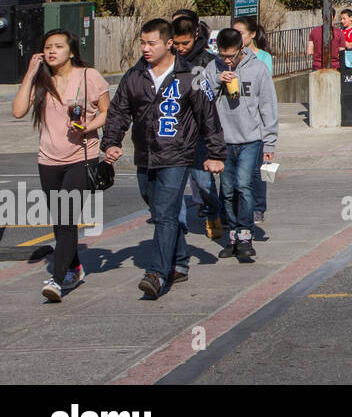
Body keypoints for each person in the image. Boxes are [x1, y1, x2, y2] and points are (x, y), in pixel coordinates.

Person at [101, 18, 226, 299]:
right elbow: (119, 111)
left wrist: (216, 154)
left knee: (167, 214)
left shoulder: (191, 74)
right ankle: (180, 260)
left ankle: (157, 273)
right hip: (145, 155)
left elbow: (209, 117)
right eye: (142, 43)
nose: (145, 48)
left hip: (177, 154)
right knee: (157, 209)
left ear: (169, 44)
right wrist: (111, 142)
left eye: (151, 43)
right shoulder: (134, 76)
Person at [10, 30, 111, 302]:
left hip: (81, 155)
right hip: (48, 159)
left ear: (72, 51)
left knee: (66, 219)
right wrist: (31, 73)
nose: (52, 51)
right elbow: (18, 110)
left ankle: (57, 279)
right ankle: (75, 267)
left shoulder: (88, 76)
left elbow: (106, 111)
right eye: (47, 47)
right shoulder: (42, 80)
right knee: (60, 222)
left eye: (58, 46)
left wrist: (89, 126)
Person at [204, 29, 278, 261]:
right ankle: (233, 234)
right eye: (223, 56)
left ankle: (246, 233)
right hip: (223, 140)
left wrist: (269, 143)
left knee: (244, 185)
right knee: (226, 190)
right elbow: (201, 94)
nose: (227, 61)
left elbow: (268, 106)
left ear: (241, 49)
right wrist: (217, 81)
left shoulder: (258, 69)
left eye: (232, 56)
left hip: (250, 139)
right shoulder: (213, 67)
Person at [172, 12, 222, 240]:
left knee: (202, 182)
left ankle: (214, 211)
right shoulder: (167, 60)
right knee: (173, 188)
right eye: (176, 43)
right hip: (174, 133)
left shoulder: (207, 61)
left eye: (186, 43)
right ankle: (177, 229)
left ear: (195, 36)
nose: (181, 48)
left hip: (199, 133)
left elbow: (211, 101)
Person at [232, 16, 275, 223]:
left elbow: (266, 96)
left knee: (258, 171)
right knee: (236, 176)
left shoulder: (263, 59)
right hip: (235, 125)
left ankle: (258, 206)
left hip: (256, 126)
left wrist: (269, 136)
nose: (237, 37)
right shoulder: (227, 60)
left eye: (240, 32)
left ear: (252, 34)